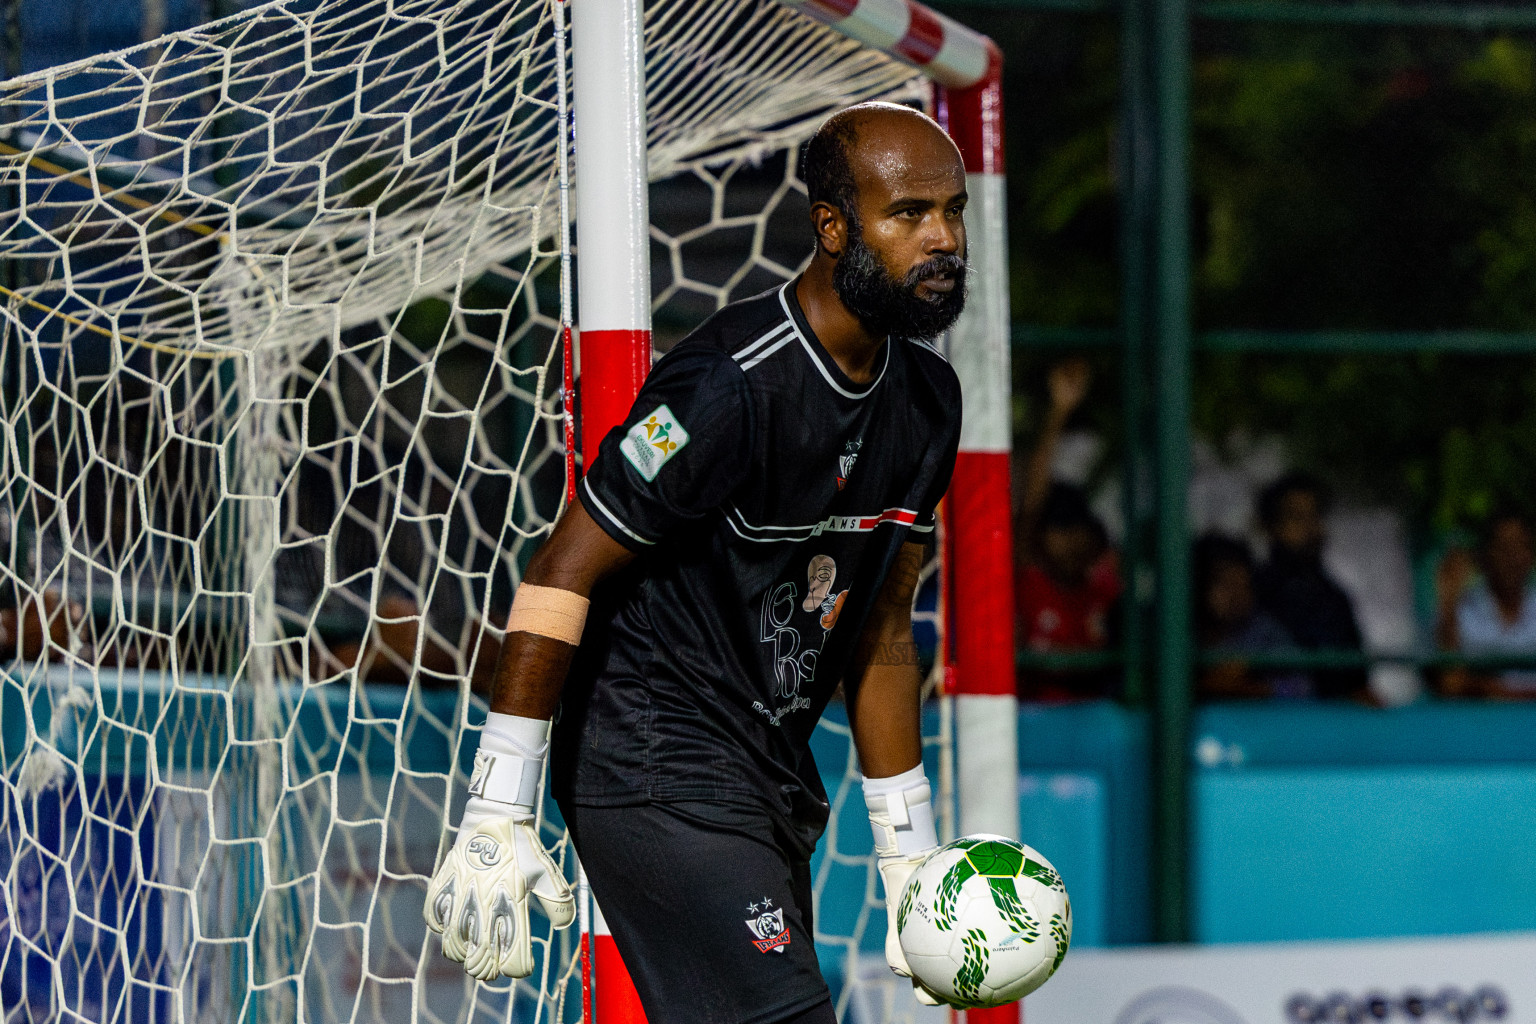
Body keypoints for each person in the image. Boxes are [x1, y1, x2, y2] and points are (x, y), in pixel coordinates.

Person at [422, 102, 968, 1021]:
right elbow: (564, 567)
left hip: (765, 773)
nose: (943, 237)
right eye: (908, 213)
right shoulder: (727, 385)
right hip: (649, 754)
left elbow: (882, 625)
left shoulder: (929, 401)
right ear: (833, 227)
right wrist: (496, 806)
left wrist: (909, 857)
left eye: (952, 211)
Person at [1014, 358, 1121, 700]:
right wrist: (1059, 411)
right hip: (1035, 724)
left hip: (1095, 724)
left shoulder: (1102, 590)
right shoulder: (1028, 578)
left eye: (1078, 529)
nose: (1071, 541)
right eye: (1060, 529)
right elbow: (1032, 502)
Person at [1253, 471, 1368, 700]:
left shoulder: (1334, 597)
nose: (1310, 527)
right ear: (1271, 526)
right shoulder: (1255, 593)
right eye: (1297, 517)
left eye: (1315, 515)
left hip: (1333, 725)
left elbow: (1357, 679)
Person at [1192, 533, 1309, 700]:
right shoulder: (1179, 635)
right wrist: (1206, 685)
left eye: (1243, 585)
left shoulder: (1264, 633)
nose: (1237, 595)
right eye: (1226, 584)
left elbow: (1302, 689)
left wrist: (1248, 688)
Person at [1435, 509, 1536, 698]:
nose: (1512, 558)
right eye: (1504, 548)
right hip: (1479, 723)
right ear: (1484, 556)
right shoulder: (1460, 611)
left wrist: (1495, 690)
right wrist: (1447, 606)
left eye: (1520, 547)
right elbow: (1450, 684)